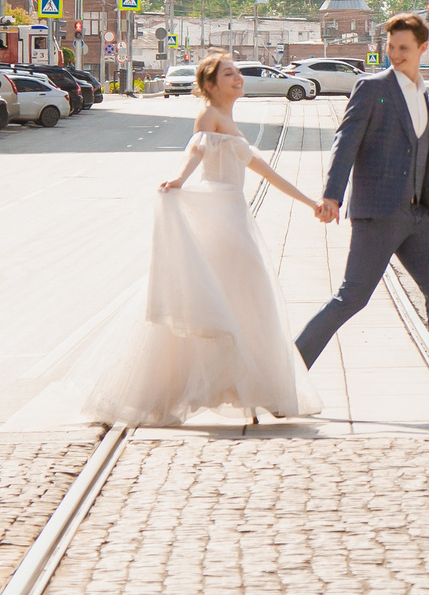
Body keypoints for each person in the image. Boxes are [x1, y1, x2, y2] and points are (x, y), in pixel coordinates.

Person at [84, 53, 324, 426]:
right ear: (210, 85)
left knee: (246, 299)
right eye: (229, 74)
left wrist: (311, 202)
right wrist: (179, 180)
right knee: (218, 300)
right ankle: (174, 392)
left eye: (238, 72)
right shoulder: (210, 115)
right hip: (218, 219)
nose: (238, 78)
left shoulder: (230, 121)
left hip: (235, 219)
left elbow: (268, 172)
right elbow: (194, 150)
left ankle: (257, 388)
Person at [295, 12, 429, 418]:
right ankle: (287, 374)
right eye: (391, 47)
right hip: (379, 212)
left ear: (423, 49)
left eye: (403, 48)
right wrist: (332, 196)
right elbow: (346, 143)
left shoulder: (422, 91)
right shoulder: (372, 87)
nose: (394, 54)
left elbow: (416, 147)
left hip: (415, 215)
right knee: (351, 299)